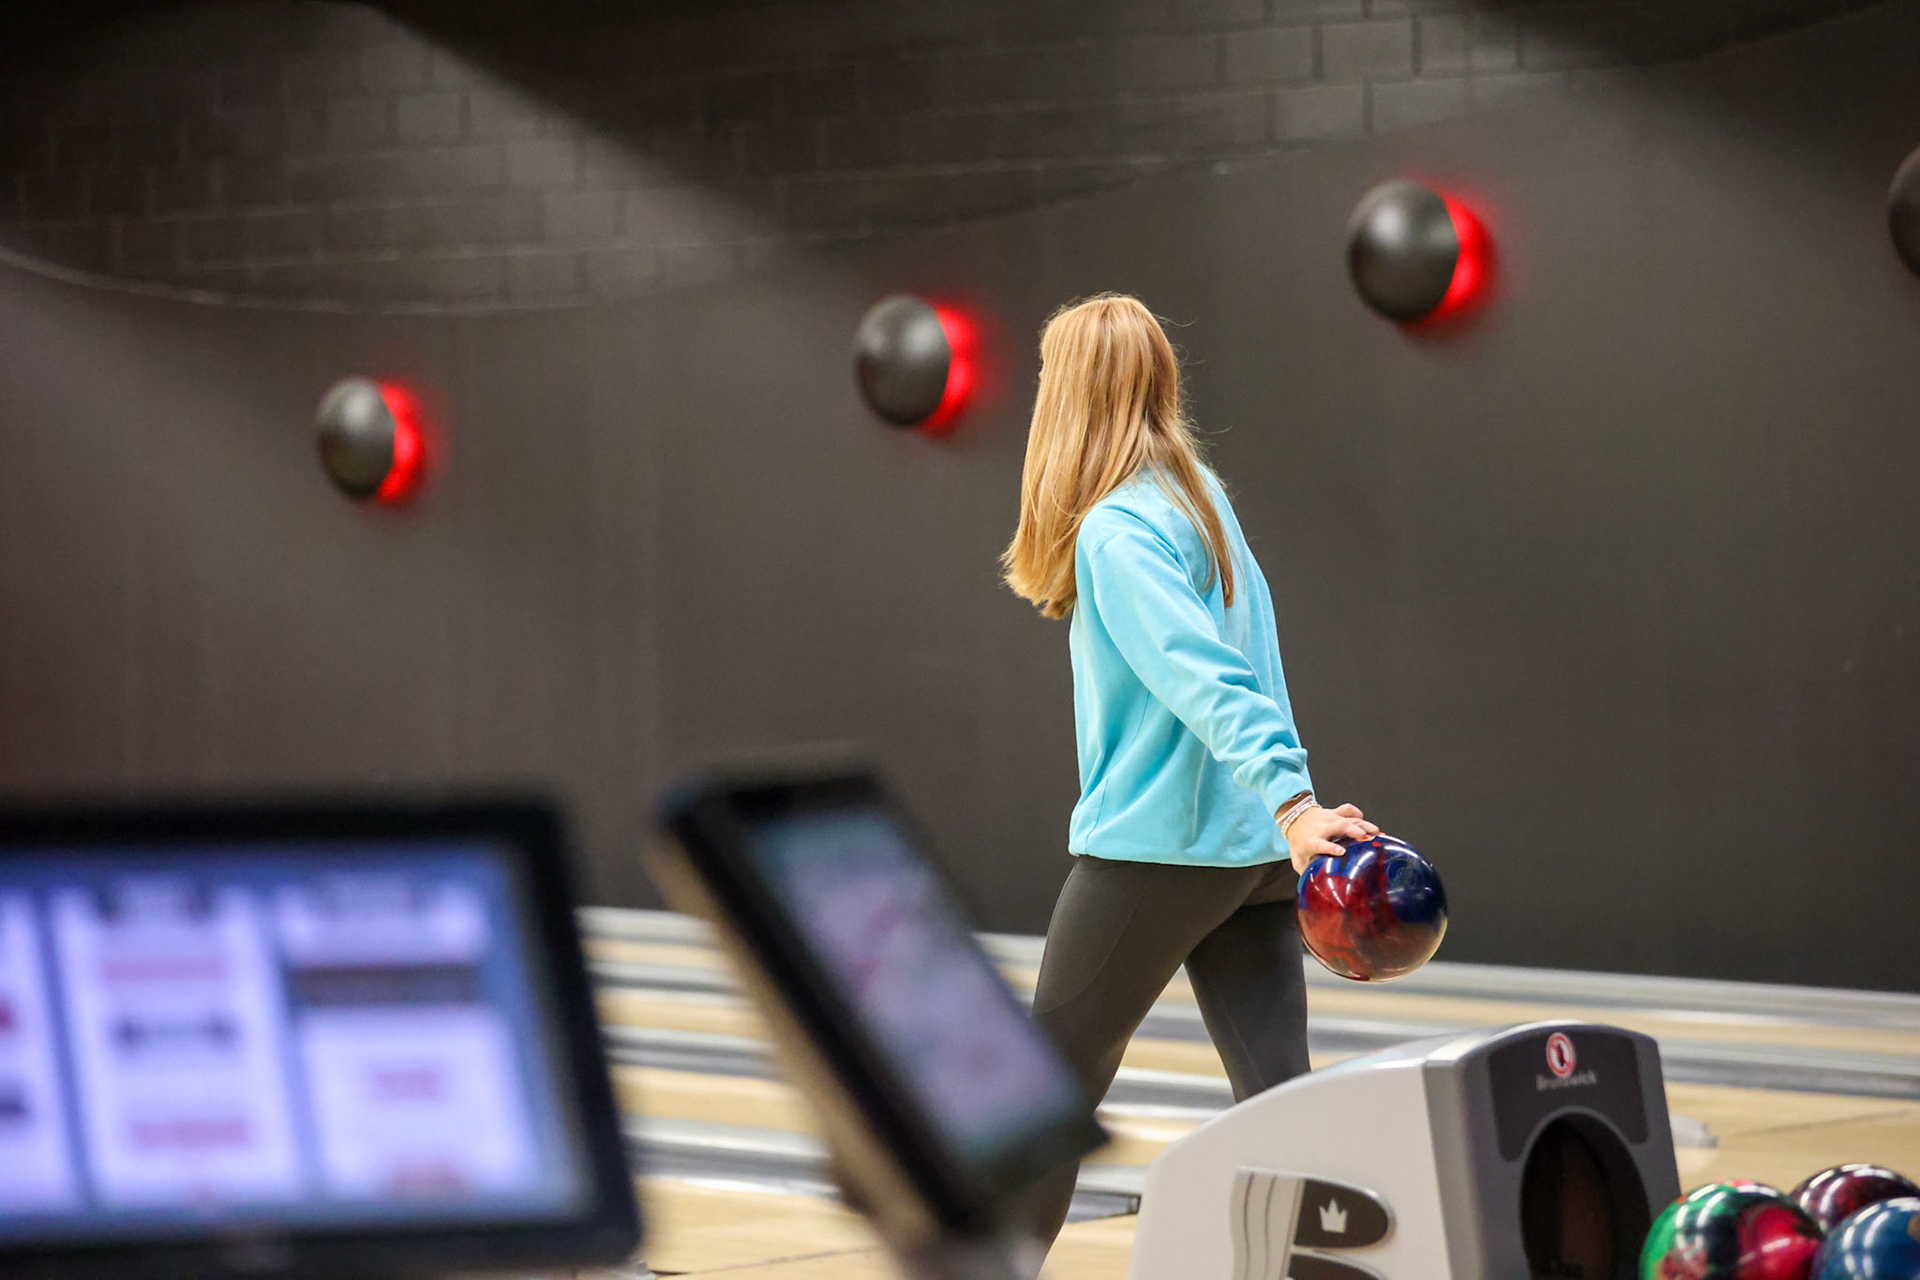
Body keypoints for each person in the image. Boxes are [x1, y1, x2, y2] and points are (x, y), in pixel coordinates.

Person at [1000, 294, 1376, 1250]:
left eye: (1048, 376)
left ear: (1071, 396)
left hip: (1158, 854)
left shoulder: (1118, 531)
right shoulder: (1198, 496)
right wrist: (1283, 812)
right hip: (1248, 856)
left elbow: (1208, 679)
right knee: (1278, 1098)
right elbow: (1250, 667)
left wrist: (1294, 803)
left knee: (1042, 1099)